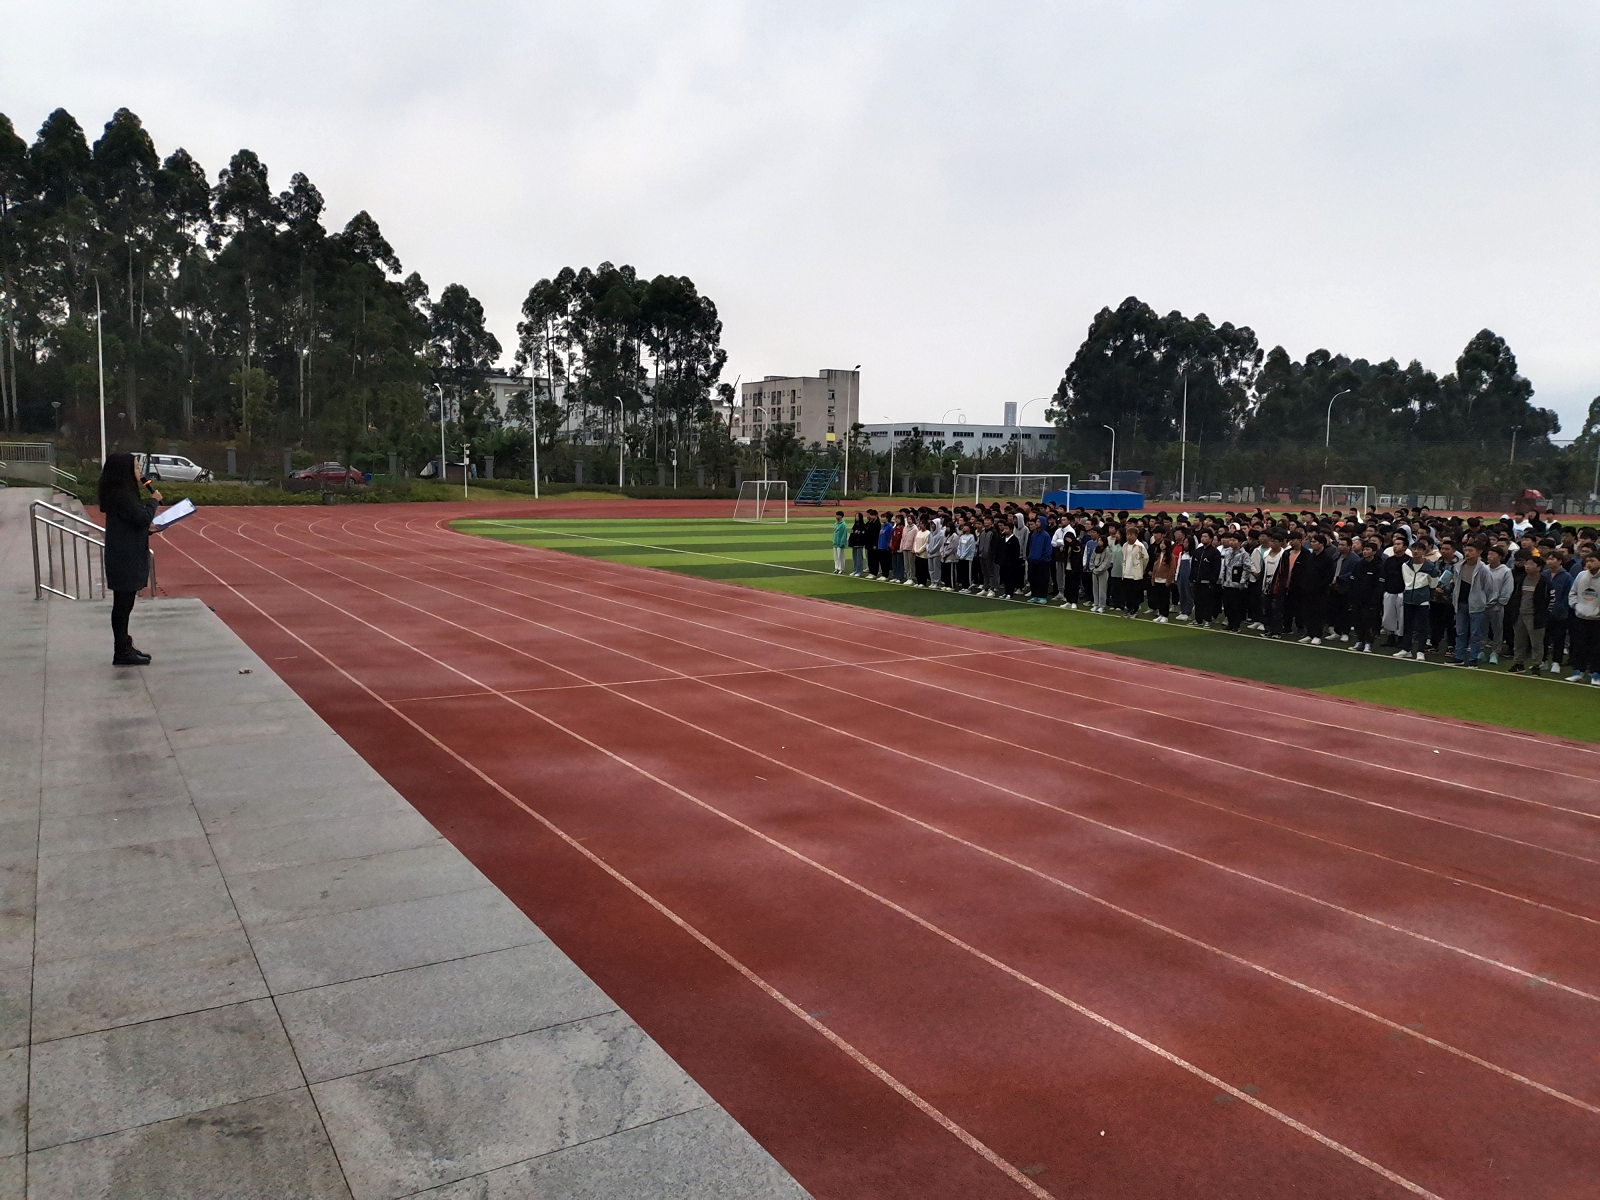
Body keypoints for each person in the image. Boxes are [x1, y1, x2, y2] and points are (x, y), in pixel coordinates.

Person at [98, 452, 160, 666]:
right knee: (123, 606)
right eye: (135, 467)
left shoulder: (120, 493)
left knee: (125, 605)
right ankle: (121, 651)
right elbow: (142, 517)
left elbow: (131, 522)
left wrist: (146, 529)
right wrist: (154, 501)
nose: (139, 472)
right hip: (124, 557)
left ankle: (125, 645)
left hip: (124, 553)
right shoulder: (122, 495)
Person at [1506, 552, 1551, 673]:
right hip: (1520, 614)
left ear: (1539, 567)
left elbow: (1551, 599)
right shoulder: (1521, 579)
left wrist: (1545, 614)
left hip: (1535, 616)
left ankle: (1536, 665)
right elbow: (1515, 596)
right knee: (1519, 641)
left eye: (1531, 564)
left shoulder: (1544, 582)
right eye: (1526, 564)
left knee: (1536, 643)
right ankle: (1518, 663)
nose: (1527, 566)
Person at [1395, 541, 1439, 661]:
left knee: (1422, 627)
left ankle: (1420, 651)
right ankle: (1406, 649)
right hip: (1408, 598)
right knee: (1407, 625)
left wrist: (1426, 595)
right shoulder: (1405, 565)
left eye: (1419, 549)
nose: (1415, 551)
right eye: (1414, 549)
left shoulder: (1430, 567)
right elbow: (1406, 581)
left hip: (1422, 600)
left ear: (1424, 552)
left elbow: (1433, 584)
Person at [1449, 543, 1488, 667]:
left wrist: (1483, 601)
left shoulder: (1483, 569)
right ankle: (1458, 656)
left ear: (1478, 552)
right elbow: (1455, 583)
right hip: (1461, 603)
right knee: (1460, 632)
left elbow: (1489, 588)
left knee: (1475, 634)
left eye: (1471, 550)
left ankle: (1473, 658)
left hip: (1476, 605)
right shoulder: (1458, 566)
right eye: (1466, 550)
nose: (1467, 553)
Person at [1566, 552, 1600, 685]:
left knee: (1596, 647)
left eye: (1592, 560)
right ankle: (1578, 671)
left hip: (1597, 619)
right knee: (1579, 645)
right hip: (1580, 617)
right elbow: (1573, 593)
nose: (1588, 563)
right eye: (1587, 561)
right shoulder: (1581, 575)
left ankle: (1596, 674)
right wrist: (1576, 606)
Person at [1481, 546, 1513, 664]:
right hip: (1482, 604)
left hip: (1497, 606)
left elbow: (1507, 589)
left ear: (1500, 557)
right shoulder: (1483, 569)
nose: (1490, 556)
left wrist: (1500, 602)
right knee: (1482, 629)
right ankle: (1481, 650)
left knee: (1497, 630)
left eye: (1493, 554)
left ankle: (1495, 652)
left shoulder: (1506, 571)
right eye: (1489, 554)